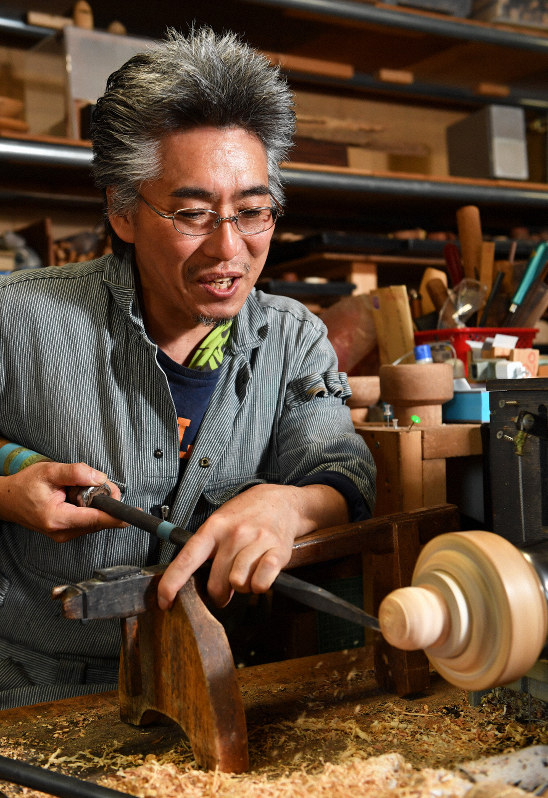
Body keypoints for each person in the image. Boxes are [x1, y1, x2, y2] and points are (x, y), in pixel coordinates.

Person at [0, 27, 376, 708]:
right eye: (194, 214)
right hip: (32, 698)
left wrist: (286, 503)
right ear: (122, 209)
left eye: (254, 211)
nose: (228, 248)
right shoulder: (18, 319)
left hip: (218, 690)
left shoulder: (291, 337)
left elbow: (342, 471)